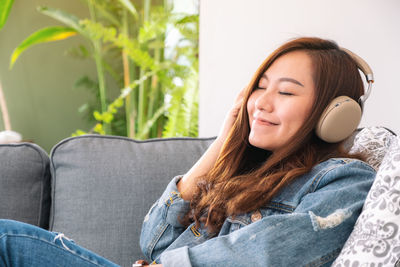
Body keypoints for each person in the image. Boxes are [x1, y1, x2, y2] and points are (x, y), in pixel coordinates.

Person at [0, 37, 376, 267]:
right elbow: (154, 242)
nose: (261, 103)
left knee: (7, 242)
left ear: (336, 113)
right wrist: (226, 138)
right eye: (259, 87)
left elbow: (271, 254)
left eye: (287, 92)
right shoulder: (246, 173)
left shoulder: (345, 179)